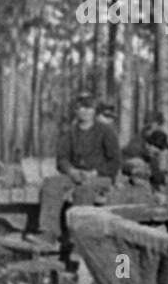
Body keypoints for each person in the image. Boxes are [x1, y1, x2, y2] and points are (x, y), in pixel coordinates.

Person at [36, 94, 122, 251]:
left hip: (100, 177)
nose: (85, 112)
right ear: (75, 110)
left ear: (94, 110)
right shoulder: (70, 133)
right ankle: (48, 233)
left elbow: (115, 161)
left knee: (84, 190)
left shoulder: (106, 131)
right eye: (80, 107)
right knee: (51, 184)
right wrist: (71, 170)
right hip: (76, 174)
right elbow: (61, 158)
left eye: (88, 108)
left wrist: (96, 173)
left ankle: (79, 238)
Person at [121, 111, 168, 189]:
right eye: (159, 125)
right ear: (153, 124)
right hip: (130, 167)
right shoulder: (138, 142)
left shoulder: (152, 139)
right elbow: (128, 162)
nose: (160, 128)